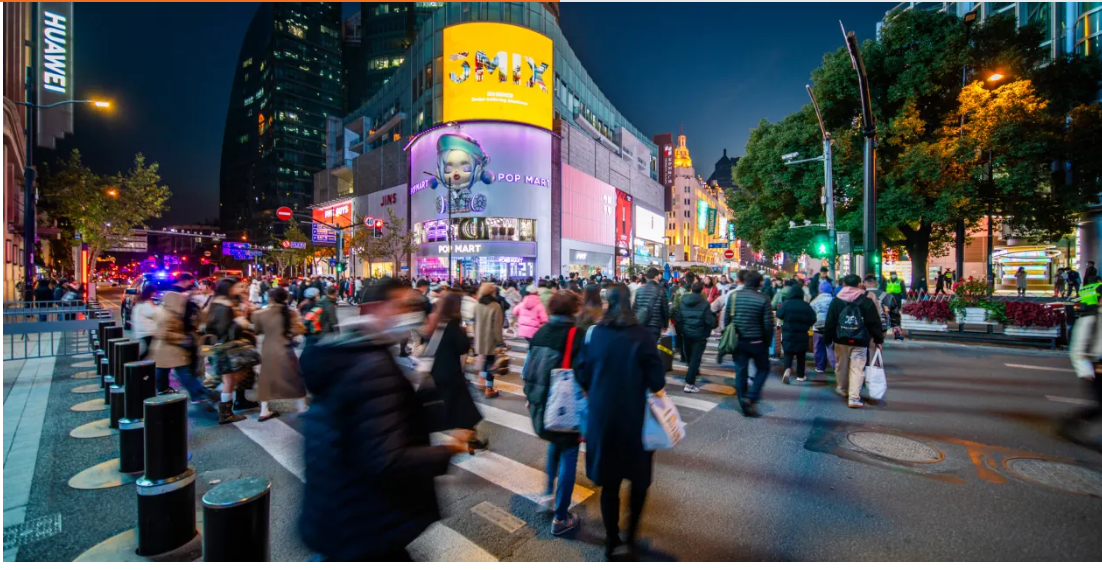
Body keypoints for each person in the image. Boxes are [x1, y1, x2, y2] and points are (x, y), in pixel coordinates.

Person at [299, 278, 468, 561]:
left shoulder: (350, 352)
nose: (411, 314)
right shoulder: (371, 365)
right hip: (362, 520)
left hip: (341, 511)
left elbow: (375, 421)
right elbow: (387, 459)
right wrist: (449, 450)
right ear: (374, 309)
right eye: (402, 306)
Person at [574, 283, 667, 560]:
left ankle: (611, 540)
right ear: (630, 302)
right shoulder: (643, 336)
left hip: (603, 417)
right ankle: (631, 536)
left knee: (610, 483)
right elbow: (657, 380)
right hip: (636, 418)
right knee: (638, 481)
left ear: (607, 303)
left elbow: (581, 372)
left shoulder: (595, 334)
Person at [521, 291, 585, 536]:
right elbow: (584, 373)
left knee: (553, 447)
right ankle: (560, 517)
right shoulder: (575, 335)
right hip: (563, 409)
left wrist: (531, 398)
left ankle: (547, 493)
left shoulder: (540, 332)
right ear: (573, 310)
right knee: (569, 453)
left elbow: (528, 369)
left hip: (540, 406)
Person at [426, 292, 487, 450]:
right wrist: (464, 332)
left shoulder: (438, 322)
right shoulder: (452, 325)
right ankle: (459, 443)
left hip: (437, 372)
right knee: (461, 409)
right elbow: (463, 347)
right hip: (450, 374)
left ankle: (471, 438)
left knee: (461, 407)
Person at [151, 273, 217, 407]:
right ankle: (200, 393)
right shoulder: (168, 313)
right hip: (172, 347)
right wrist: (183, 339)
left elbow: (200, 319)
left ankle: (198, 394)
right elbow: (164, 333)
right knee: (184, 372)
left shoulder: (180, 308)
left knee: (185, 372)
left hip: (178, 346)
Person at [823, 274, 885, 409]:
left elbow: (830, 322)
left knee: (841, 365)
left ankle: (842, 389)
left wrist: (827, 338)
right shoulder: (866, 301)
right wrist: (878, 340)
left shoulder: (837, 300)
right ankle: (854, 398)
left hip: (840, 339)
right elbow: (874, 323)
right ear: (859, 285)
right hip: (860, 340)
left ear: (844, 284)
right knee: (857, 368)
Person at [251, 287, 308, 421]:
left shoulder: (260, 314)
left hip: (268, 348)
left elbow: (257, 331)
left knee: (266, 379)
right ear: (286, 298)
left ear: (270, 298)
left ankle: (264, 411)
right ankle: (301, 407)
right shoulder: (291, 313)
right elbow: (297, 330)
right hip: (285, 348)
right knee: (294, 378)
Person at [205, 278, 256, 422]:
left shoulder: (218, 303)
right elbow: (225, 331)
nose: (241, 289)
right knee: (229, 381)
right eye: (238, 286)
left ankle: (224, 408)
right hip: (228, 348)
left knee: (230, 380)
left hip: (223, 347)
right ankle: (224, 411)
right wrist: (240, 322)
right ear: (230, 288)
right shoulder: (223, 306)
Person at [1061, 277, 1102, 451]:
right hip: (1097, 368)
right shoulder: (1090, 320)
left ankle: (1071, 423)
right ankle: (1071, 423)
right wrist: (1085, 371)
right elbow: (1077, 348)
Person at [726, 270, 774, 417]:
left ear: (745, 281)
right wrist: (767, 342)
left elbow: (727, 319)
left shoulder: (734, 296)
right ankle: (751, 396)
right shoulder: (763, 299)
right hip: (757, 340)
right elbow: (768, 324)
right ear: (760, 283)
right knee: (763, 369)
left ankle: (743, 402)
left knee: (741, 371)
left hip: (738, 339)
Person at [678, 281, 717, 393]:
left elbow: (679, 318)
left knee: (690, 356)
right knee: (695, 358)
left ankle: (693, 372)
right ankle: (689, 383)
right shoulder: (705, 303)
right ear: (701, 290)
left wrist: (681, 330)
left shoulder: (683, 301)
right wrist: (707, 332)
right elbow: (709, 320)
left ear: (691, 289)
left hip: (686, 332)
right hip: (699, 333)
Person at [777, 282, 816, 383]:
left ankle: (787, 370)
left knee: (788, 353)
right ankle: (800, 375)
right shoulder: (806, 305)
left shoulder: (786, 304)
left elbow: (779, 314)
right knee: (801, 355)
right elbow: (813, 318)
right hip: (802, 334)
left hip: (788, 333)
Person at [474, 282, 504, 398]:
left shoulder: (477, 305)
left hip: (479, 339)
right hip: (491, 340)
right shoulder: (495, 306)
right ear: (493, 292)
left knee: (485, 361)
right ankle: (489, 388)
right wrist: (500, 343)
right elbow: (497, 327)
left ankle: (482, 382)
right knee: (491, 364)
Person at [631, 267, 670, 342]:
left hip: (641, 323)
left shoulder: (639, 290)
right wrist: (665, 325)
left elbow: (635, 308)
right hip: (655, 325)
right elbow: (665, 309)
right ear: (656, 276)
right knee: (652, 348)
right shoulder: (661, 290)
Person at [810, 280, 838, 373]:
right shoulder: (834, 300)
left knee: (818, 346)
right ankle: (836, 366)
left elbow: (811, 315)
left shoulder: (815, 301)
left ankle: (820, 366)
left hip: (818, 326)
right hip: (831, 327)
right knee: (831, 347)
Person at [131, 284, 160, 360]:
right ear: (151, 292)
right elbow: (154, 313)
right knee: (147, 351)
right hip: (146, 331)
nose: (155, 294)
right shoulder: (146, 303)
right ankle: (136, 367)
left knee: (147, 351)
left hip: (143, 331)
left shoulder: (140, 302)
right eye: (154, 292)